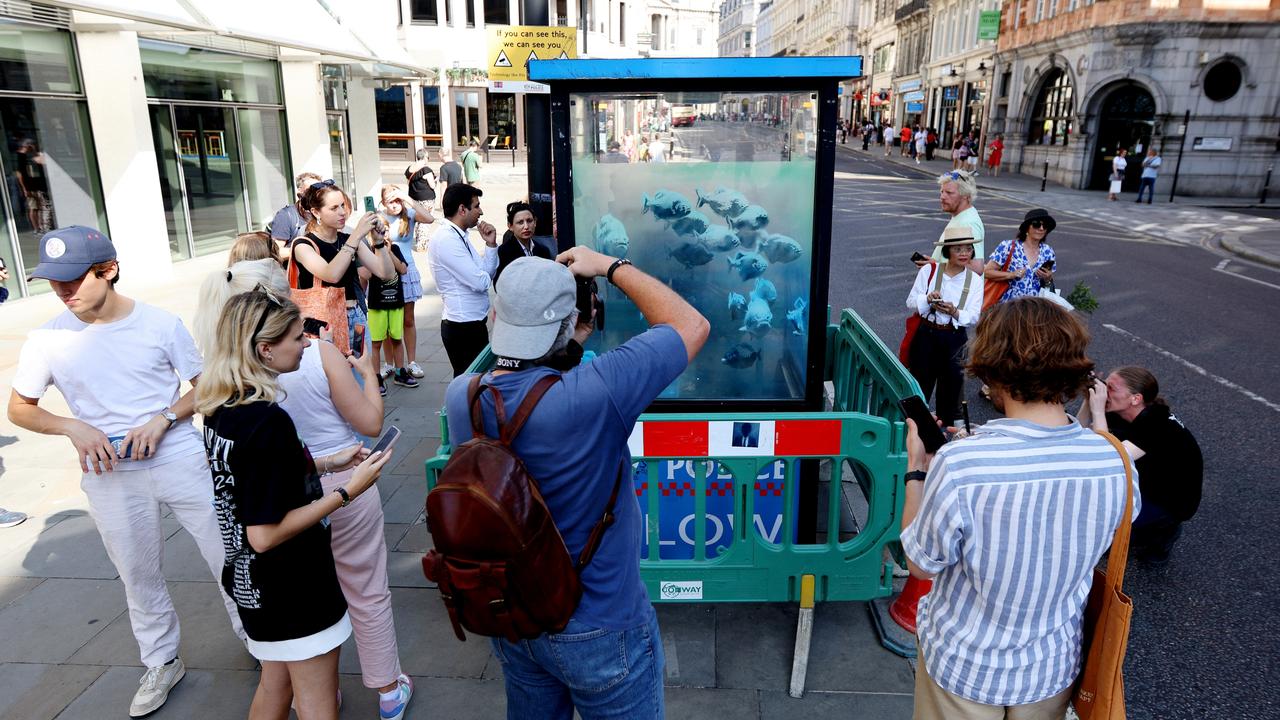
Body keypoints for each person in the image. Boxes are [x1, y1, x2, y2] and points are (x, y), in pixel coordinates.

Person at [444, 249, 709, 720]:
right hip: (601, 626)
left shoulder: (463, 395)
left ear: (494, 316)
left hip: (515, 615)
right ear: (569, 322)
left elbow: (524, 393)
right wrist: (609, 264)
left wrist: (564, 342)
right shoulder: (595, 393)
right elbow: (690, 325)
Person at [8, 226, 246, 718]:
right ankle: (161, 661)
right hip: (108, 470)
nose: (63, 290)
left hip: (178, 454)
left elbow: (208, 387)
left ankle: (257, 638)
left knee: (226, 553)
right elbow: (20, 408)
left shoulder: (159, 324)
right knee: (137, 573)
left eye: (73, 279)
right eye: (54, 282)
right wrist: (72, 427)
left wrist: (163, 419)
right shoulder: (47, 336)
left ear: (108, 269)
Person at [900, 296, 1140, 720]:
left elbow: (921, 564)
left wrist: (918, 471)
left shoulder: (963, 464)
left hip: (965, 666)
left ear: (991, 369)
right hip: (1050, 670)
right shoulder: (1114, 461)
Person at [194, 263, 414, 720]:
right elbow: (265, 533)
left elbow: (251, 477)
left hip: (252, 585)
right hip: (292, 585)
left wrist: (325, 462)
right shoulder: (268, 420)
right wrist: (347, 492)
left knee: (274, 687)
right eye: (297, 337)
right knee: (316, 702)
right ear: (265, 349)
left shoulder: (221, 408)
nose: (306, 343)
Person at [1078, 366, 1202, 563]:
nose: (1104, 392)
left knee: (1105, 527)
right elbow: (1082, 437)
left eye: (1111, 388)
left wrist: (1098, 409)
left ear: (1136, 398)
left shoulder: (1157, 424)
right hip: (1146, 480)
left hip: (1169, 500)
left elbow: (1108, 457)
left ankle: (1164, 531)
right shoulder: (1121, 411)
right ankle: (1135, 531)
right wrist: (1088, 400)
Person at [290, 179, 394, 352]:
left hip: (356, 316)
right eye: (334, 208)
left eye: (342, 205)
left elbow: (386, 274)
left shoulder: (347, 240)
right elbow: (331, 274)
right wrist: (357, 234)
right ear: (316, 212)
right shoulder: (303, 245)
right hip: (324, 323)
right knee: (335, 375)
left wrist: (379, 243)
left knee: (362, 374)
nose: (342, 212)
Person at [906, 227, 983, 426]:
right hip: (927, 334)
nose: (964, 253)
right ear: (947, 251)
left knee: (950, 390)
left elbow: (973, 315)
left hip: (954, 338)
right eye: (958, 249)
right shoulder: (929, 270)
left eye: (968, 249)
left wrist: (954, 312)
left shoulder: (974, 280)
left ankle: (944, 440)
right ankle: (914, 431)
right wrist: (927, 299)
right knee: (918, 386)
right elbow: (911, 301)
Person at [428, 183, 499, 376]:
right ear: (462, 209)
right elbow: (482, 282)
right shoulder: (446, 239)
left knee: (476, 383)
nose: (481, 211)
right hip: (462, 328)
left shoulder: (459, 236)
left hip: (472, 324)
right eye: (476, 206)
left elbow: (484, 272)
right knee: (470, 385)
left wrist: (491, 246)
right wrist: (484, 275)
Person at [379, 185, 435, 379]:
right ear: (383, 202)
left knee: (408, 319)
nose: (394, 204)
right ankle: (388, 363)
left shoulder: (409, 214)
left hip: (407, 269)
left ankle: (411, 362)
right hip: (384, 271)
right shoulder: (378, 216)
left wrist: (407, 197)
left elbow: (429, 218)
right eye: (390, 200)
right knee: (386, 321)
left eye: (397, 200)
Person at [367, 225, 417, 391]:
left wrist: (387, 252)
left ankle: (400, 371)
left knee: (397, 338)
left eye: (385, 230)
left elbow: (403, 269)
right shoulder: (367, 250)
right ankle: (375, 377)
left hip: (395, 303)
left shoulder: (394, 248)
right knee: (375, 342)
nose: (383, 233)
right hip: (377, 304)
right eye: (378, 230)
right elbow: (366, 274)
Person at [984, 208, 1058, 303]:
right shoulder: (1008, 246)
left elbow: (1048, 281)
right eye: (1036, 224)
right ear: (1027, 227)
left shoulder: (1048, 251)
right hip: (1008, 306)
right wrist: (1011, 275)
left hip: (1034, 307)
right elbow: (987, 272)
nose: (1041, 228)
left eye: (1045, 226)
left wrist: (1048, 278)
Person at [923, 170, 985, 275]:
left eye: (949, 193)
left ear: (965, 195)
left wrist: (936, 266)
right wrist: (934, 264)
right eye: (942, 192)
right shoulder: (961, 216)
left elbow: (976, 268)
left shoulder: (968, 223)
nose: (942, 197)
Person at [268, 172, 323, 261]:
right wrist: (306, 251)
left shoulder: (323, 211)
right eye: (310, 189)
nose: (315, 193)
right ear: (300, 192)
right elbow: (276, 252)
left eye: (319, 189)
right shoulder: (286, 215)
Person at [496, 201, 553, 284]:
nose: (526, 227)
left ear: (535, 222)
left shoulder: (543, 250)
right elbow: (499, 285)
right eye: (520, 222)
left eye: (529, 221)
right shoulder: (503, 252)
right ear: (510, 226)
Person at [14, 138, 53, 234]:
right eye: (31, 146)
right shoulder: (22, 157)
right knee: (35, 207)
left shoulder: (31, 156)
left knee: (39, 207)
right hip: (31, 187)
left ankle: (41, 227)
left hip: (37, 186)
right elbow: (20, 175)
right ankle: (38, 228)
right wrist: (24, 188)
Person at [404, 149, 438, 250]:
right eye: (428, 158)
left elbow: (408, 183)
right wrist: (435, 181)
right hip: (427, 199)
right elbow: (432, 186)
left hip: (414, 199)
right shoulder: (426, 170)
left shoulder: (409, 169)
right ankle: (422, 244)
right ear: (424, 157)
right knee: (425, 221)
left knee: (417, 219)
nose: (428, 160)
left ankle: (419, 240)